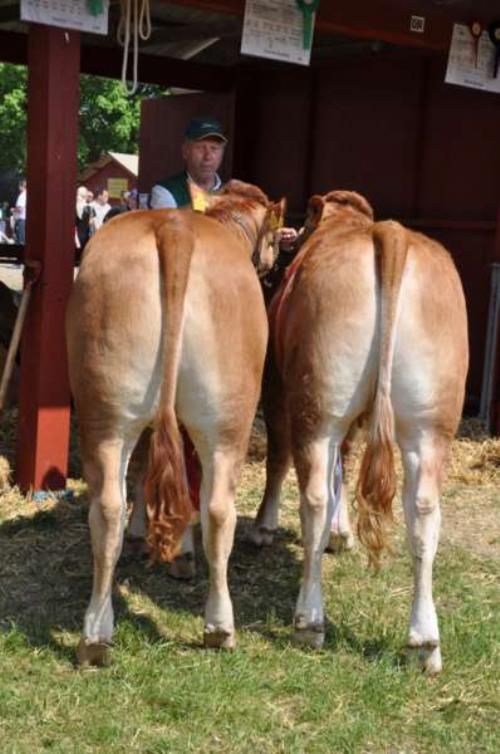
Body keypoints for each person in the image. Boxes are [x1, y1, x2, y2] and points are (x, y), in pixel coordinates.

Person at [150, 116, 227, 209]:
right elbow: (171, 220)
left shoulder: (231, 194)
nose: (208, 156)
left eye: (214, 148)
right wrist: (215, 200)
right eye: (200, 148)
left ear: (222, 153)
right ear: (185, 151)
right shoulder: (164, 191)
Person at [75, 185, 96, 250]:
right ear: (85, 195)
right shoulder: (90, 209)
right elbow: (92, 226)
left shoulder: (72, 207)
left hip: (74, 237)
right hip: (85, 237)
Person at [13, 179, 27, 245]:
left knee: (20, 241)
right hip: (25, 220)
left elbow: (20, 209)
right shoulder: (27, 194)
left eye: (19, 186)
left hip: (21, 220)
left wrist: (13, 210)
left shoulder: (22, 196)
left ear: (21, 186)